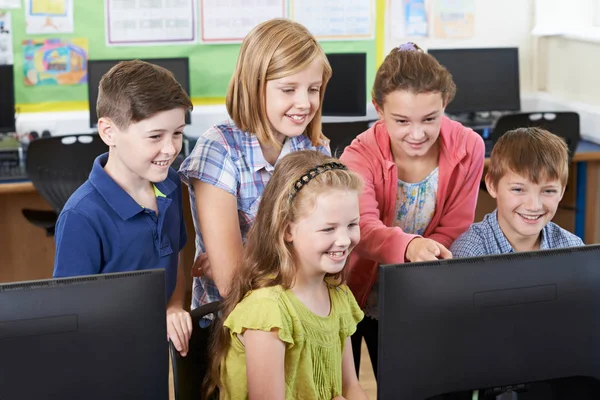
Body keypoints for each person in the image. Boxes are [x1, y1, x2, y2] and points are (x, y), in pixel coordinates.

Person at [339, 42, 485, 376]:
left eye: (430, 119)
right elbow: (361, 228)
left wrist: (421, 258)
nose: (417, 134)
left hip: (420, 292)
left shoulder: (469, 146)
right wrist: (410, 246)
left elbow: (456, 227)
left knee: (408, 382)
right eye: (402, 121)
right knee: (343, 384)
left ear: (445, 103)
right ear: (378, 108)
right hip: (354, 291)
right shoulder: (358, 155)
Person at [178, 18, 331, 312]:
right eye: (288, 89)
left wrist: (248, 259)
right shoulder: (219, 149)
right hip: (236, 324)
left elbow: (333, 257)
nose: (304, 103)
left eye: (313, 89)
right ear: (254, 86)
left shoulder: (315, 148)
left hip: (304, 314)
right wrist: (303, 259)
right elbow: (231, 283)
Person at [53, 60, 194, 356]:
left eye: (177, 133)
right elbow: (69, 317)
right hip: (106, 357)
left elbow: (175, 257)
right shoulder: (81, 216)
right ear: (108, 132)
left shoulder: (169, 185)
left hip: (156, 352)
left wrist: (173, 306)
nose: (170, 149)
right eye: (155, 136)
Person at [206, 150, 367, 400]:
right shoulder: (267, 310)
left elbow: (351, 388)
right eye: (328, 228)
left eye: (352, 224)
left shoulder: (338, 294)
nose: (345, 240)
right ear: (287, 230)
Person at [451, 127, 583, 257]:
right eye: (518, 189)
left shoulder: (573, 248)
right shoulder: (468, 255)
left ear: (562, 191)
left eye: (548, 191)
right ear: (491, 185)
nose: (534, 206)